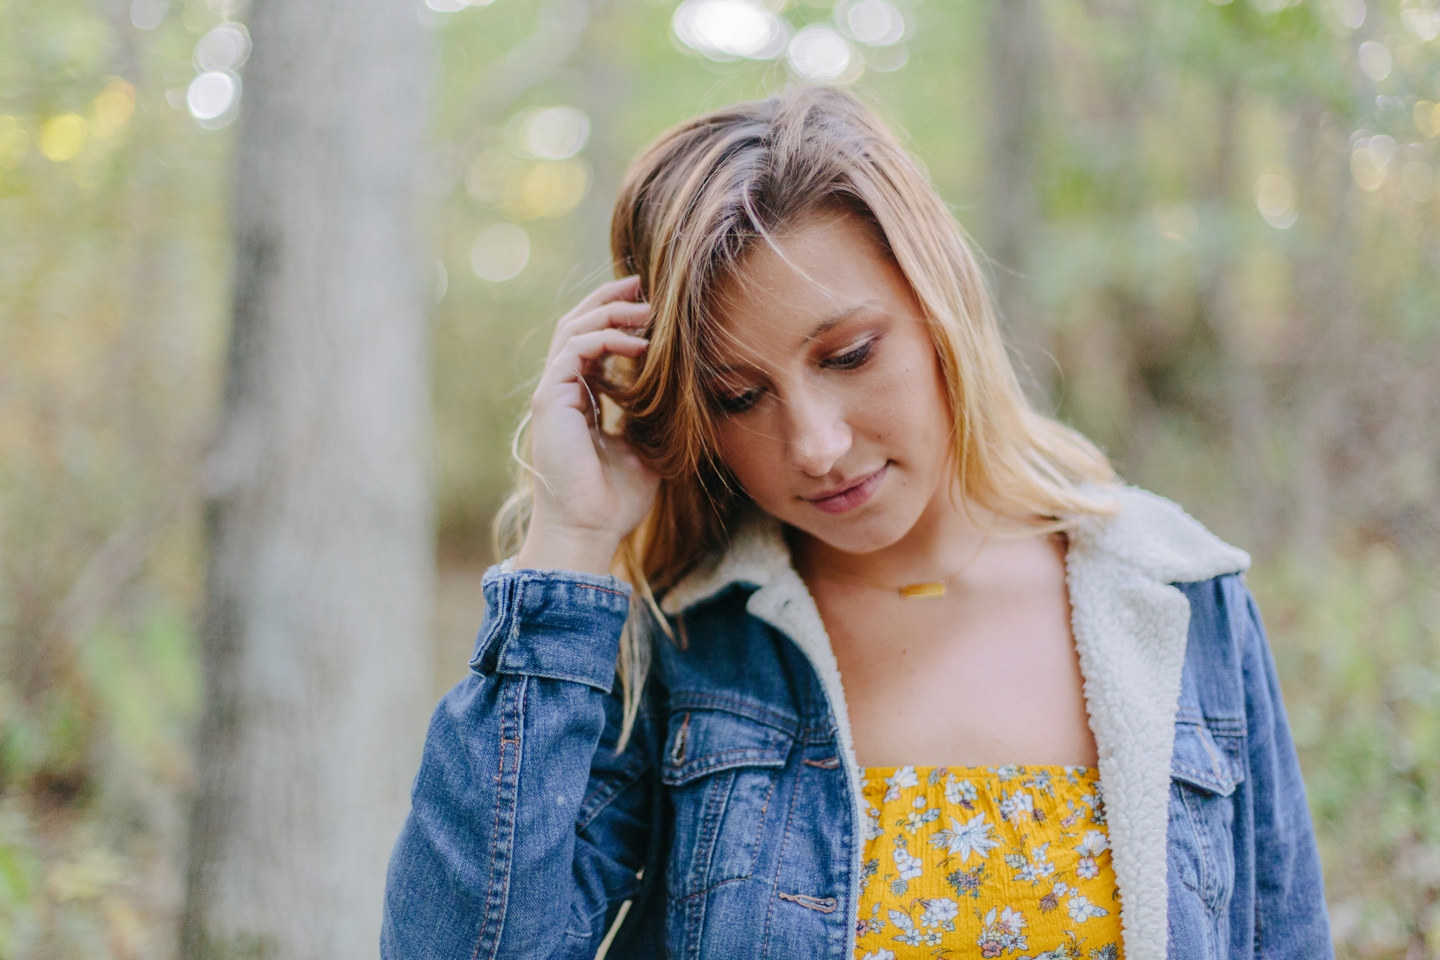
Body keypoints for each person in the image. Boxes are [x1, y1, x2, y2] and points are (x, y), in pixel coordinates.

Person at [381, 88, 1332, 960]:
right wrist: (569, 541)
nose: (816, 444)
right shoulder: (680, 645)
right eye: (741, 396)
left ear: (938, 307)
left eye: (849, 353)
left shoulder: (1177, 602)